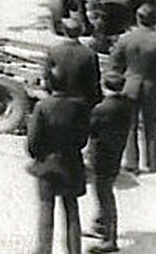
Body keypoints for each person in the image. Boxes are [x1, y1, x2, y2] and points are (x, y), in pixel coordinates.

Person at [26, 79, 89, 254]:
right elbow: (83, 139)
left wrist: (39, 157)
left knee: (46, 207)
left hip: (47, 165)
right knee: (72, 208)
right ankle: (74, 250)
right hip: (71, 164)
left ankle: (44, 250)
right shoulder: (80, 107)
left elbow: (32, 142)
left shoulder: (42, 106)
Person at [111, 4, 156, 174]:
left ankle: (132, 163)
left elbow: (115, 64)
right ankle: (153, 164)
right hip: (151, 85)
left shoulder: (125, 39)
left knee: (130, 125)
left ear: (137, 18)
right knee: (151, 125)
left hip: (130, 84)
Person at [86, 70, 133, 253]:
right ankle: (100, 225)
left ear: (105, 86)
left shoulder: (102, 108)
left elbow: (90, 129)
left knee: (104, 195)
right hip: (115, 153)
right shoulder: (125, 105)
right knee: (105, 191)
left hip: (101, 156)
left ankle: (109, 239)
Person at [45, 17, 101, 111]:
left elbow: (47, 77)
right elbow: (93, 81)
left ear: (64, 31)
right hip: (81, 102)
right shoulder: (89, 54)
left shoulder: (54, 52)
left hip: (58, 101)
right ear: (81, 31)